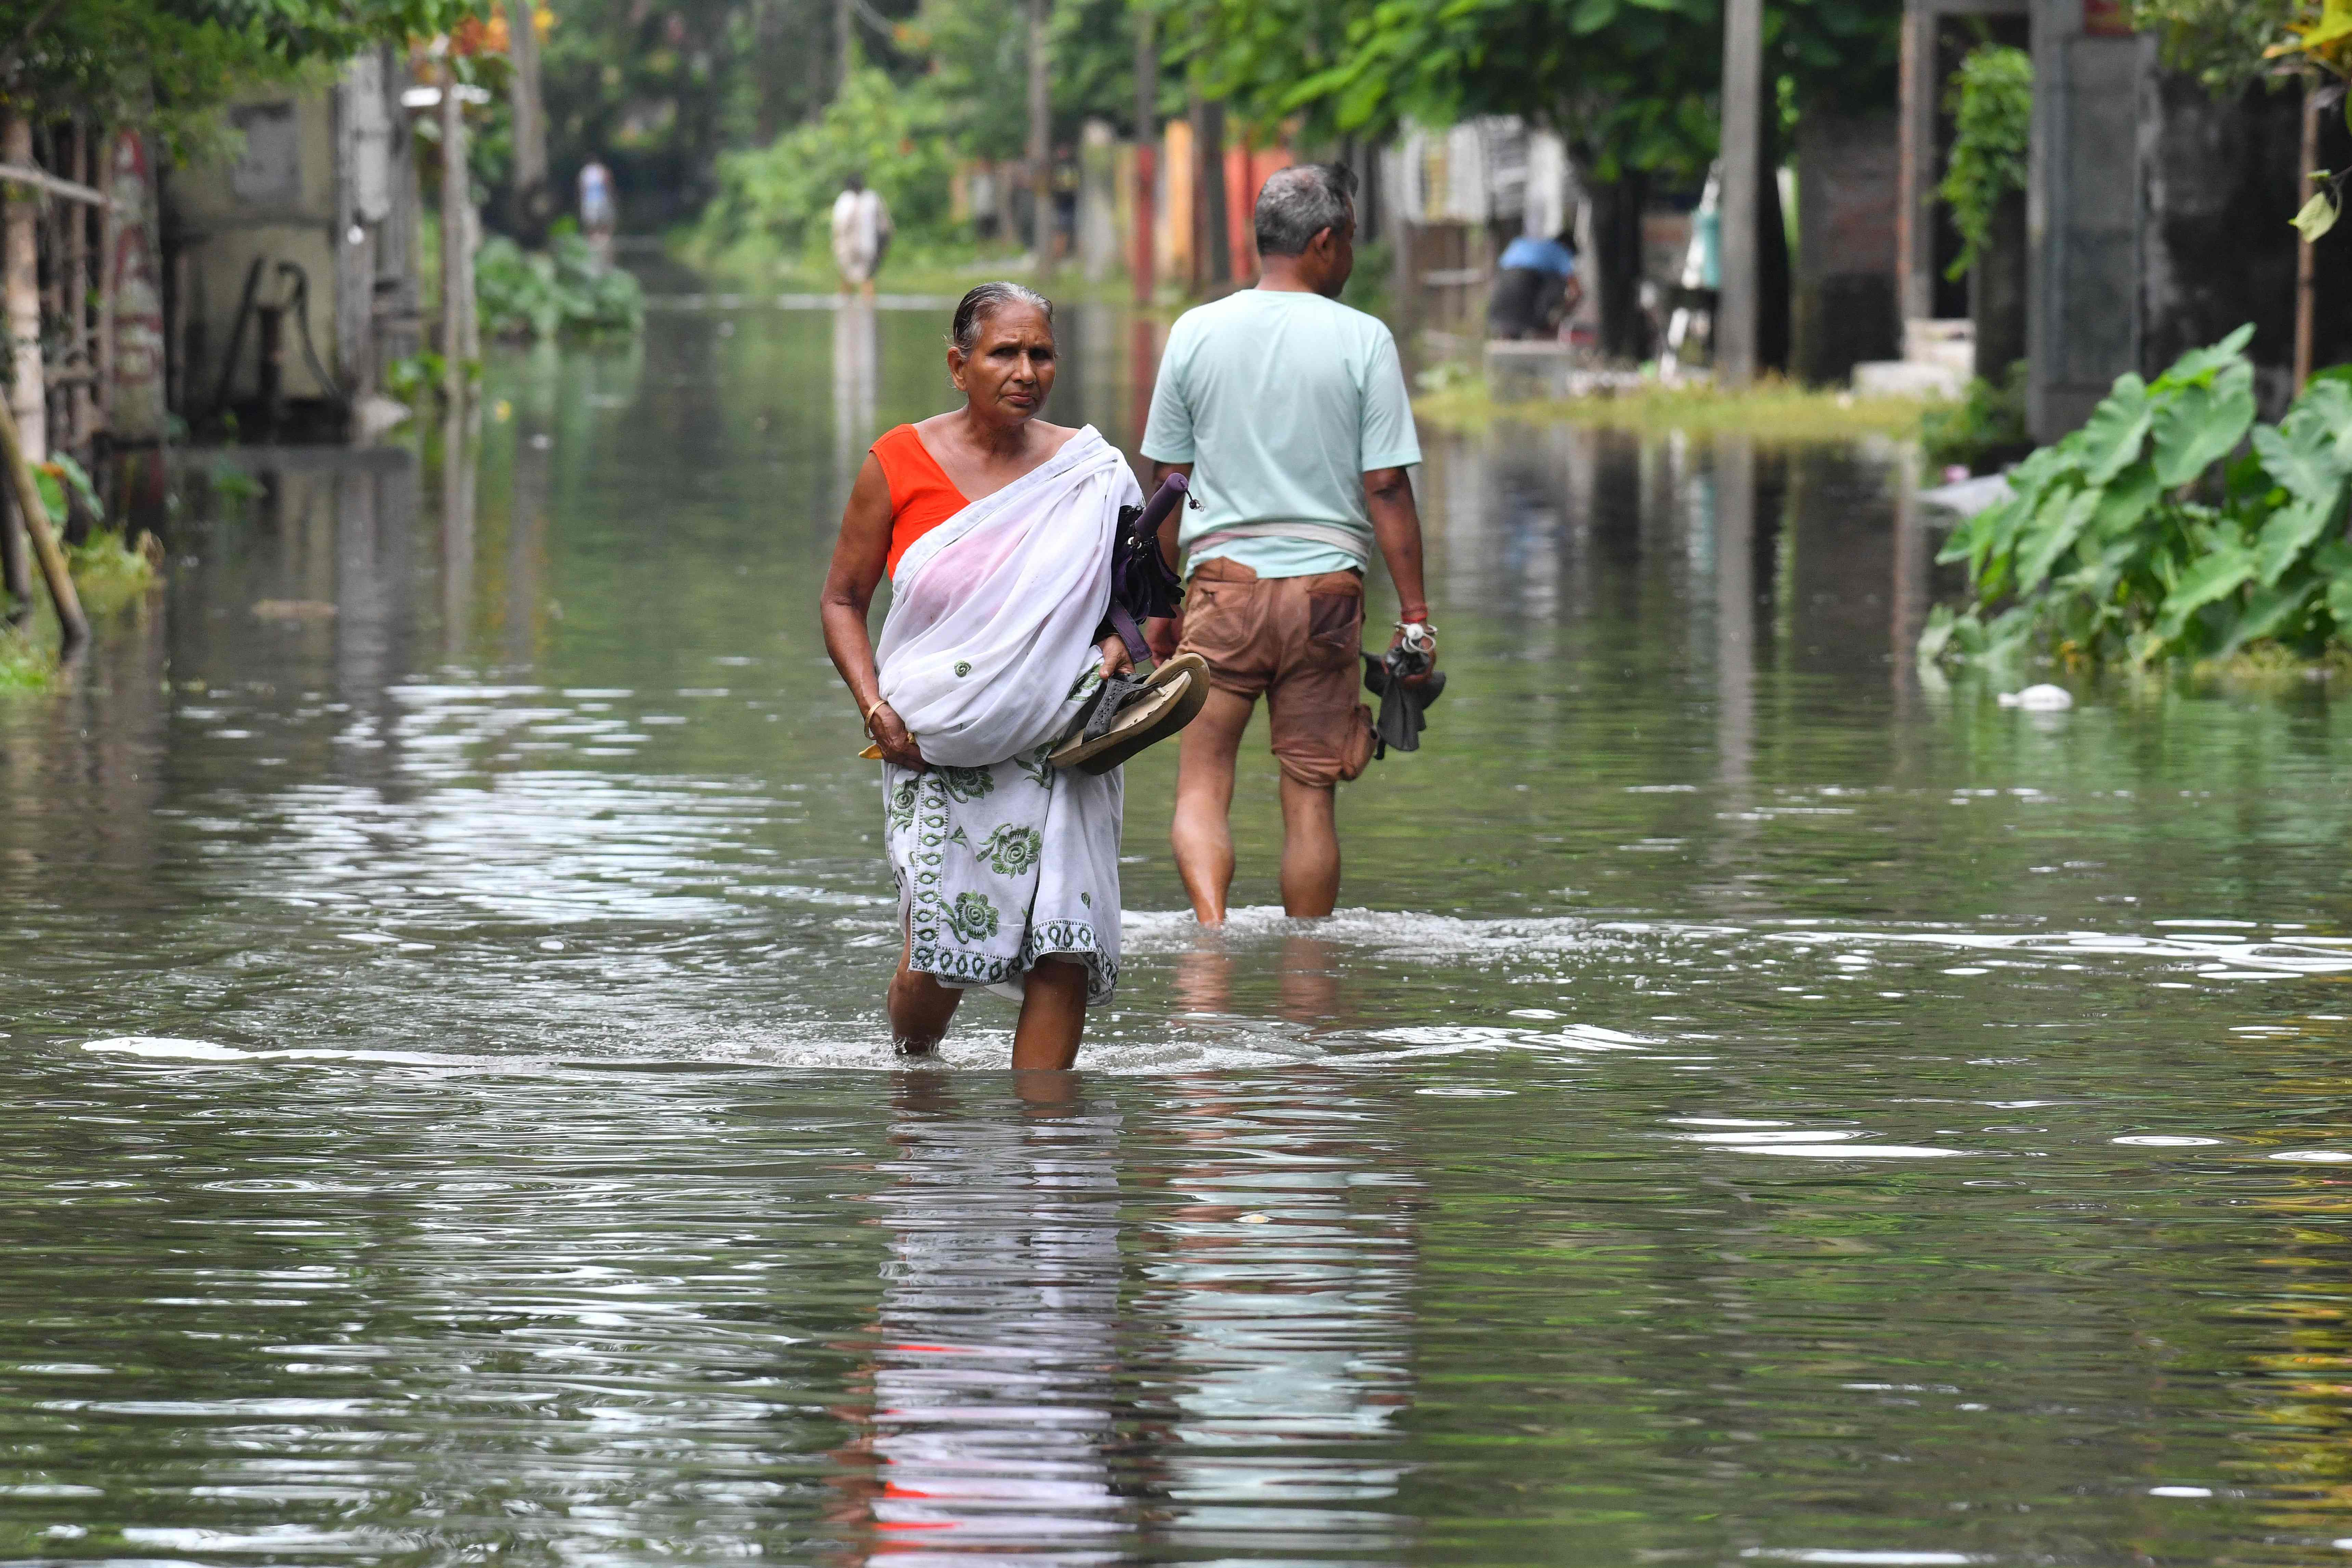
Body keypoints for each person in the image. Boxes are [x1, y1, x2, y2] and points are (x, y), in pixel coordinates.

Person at [819, 282, 1143, 1070]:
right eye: (1004, 352)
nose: (1025, 370)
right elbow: (841, 600)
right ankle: (913, 1084)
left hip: (1063, 740)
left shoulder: (1093, 475)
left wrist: (1120, 652)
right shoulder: (896, 463)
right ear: (958, 366)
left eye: (1041, 354)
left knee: (1062, 949)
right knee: (939, 953)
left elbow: (1142, 607)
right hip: (931, 743)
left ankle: (1046, 1154)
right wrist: (873, 708)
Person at [1141, 162, 1434, 926]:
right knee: (1310, 797)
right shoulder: (1364, 340)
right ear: (1326, 241)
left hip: (1221, 590)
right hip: (1325, 602)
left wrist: (1157, 604)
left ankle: (1209, 945)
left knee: (1203, 783)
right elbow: (1387, 490)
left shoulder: (1195, 332)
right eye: (1351, 242)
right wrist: (1415, 618)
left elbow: (1168, 484)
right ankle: (1310, 978)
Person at [1486, 229, 1581, 341]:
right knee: (1559, 282)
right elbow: (1576, 290)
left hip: (1499, 301)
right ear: (1566, 246)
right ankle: (1541, 327)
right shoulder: (1560, 250)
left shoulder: (1519, 243)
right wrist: (1564, 314)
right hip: (1526, 288)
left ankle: (1509, 332)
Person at [831, 173, 892, 297]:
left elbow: (838, 226)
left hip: (850, 247)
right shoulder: (873, 198)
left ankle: (848, 308)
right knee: (866, 279)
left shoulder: (845, 200)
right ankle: (867, 308)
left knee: (849, 279)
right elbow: (885, 226)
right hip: (868, 246)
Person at [577, 158, 615, 240]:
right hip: (590, 199)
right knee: (591, 219)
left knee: (604, 218)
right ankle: (594, 236)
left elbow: (608, 183)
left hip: (602, 198)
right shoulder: (585, 172)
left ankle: (604, 236)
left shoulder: (601, 170)